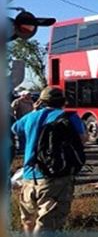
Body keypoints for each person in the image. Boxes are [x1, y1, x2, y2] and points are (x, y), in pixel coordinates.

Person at [11, 86, 87, 233]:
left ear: (41, 101)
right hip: (54, 179)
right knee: (48, 225)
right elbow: (83, 139)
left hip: (29, 177)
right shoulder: (69, 117)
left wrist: (34, 110)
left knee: (28, 221)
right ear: (63, 101)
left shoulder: (31, 117)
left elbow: (15, 128)